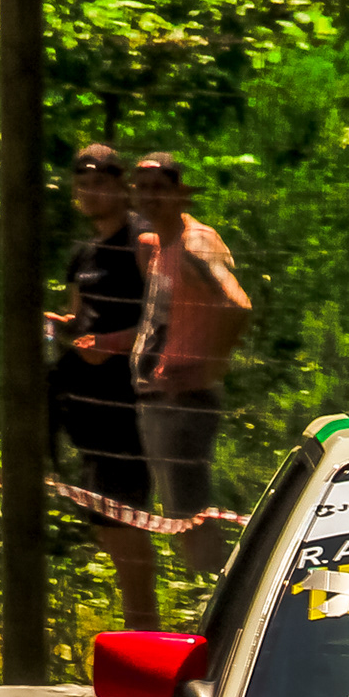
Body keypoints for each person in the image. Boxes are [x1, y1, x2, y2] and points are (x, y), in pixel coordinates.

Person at [42, 143, 160, 628]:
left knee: (124, 517)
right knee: (104, 521)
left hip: (130, 403)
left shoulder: (142, 241)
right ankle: (138, 626)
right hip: (86, 406)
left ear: (122, 187)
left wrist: (110, 344)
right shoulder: (83, 253)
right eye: (83, 184)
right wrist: (61, 325)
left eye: (100, 184)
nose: (90, 192)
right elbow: (81, 316)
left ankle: (144, 629)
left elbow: (166, 318)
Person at [129, 154, 250, 579]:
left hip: (185, 400)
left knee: (190, 512)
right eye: (142, 188)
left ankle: (213, 588)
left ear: (181, 193)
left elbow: (237, 304)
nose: (149, 197)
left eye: (159, 188)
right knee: (180, 510)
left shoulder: (194, 244)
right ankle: (205, 586)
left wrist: (209, 365)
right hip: (160, 398)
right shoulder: (161, 244)